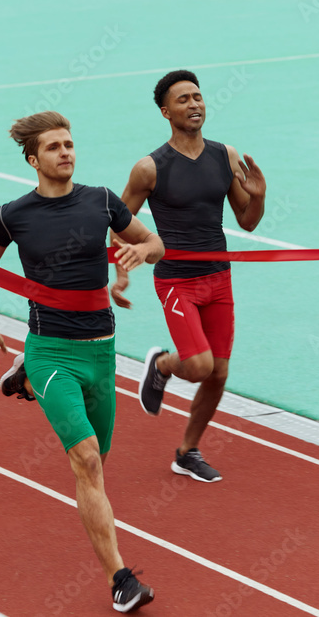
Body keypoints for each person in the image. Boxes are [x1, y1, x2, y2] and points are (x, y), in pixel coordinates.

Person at [0, 111, 163, 613]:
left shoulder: (101, 200)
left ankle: (25, 376)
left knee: (99, 460)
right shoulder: (11, 215)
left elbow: (155, 242)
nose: (66, 152)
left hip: (101, 352)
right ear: (34, 159)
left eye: (70, 144)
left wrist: (137, 256)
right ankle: (120, 579)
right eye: (55, 147)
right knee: (84, 460)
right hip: (52, 350)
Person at [114, 70, 266, 483]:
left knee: (218, 373)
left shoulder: (225, 156)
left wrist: (259, 195)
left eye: (198, 97)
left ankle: (187, 451)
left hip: (219, 277)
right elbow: (119, 221)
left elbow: (247, 222)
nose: (194, 104)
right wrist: (122, 269)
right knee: (198, 365)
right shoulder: (150, 168)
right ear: (166, 112)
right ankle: (162, 364)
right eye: (183, 100)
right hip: (177, 280)